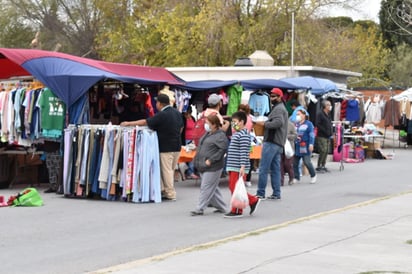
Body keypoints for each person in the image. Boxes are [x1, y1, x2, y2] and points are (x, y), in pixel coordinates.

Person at [120, 93, 183, 201]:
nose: (156, 104)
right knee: (170, 170)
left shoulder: (162, 114)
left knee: (166, 170)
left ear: (160, 103)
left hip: (165, 147)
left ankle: (170, 193)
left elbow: (146, 122)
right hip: (177, 145)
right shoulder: (177, 113)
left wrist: (128, 123)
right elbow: (181, 127)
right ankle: (164, 189)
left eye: (157, 102)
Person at [190, 115, 228, 216]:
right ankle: (222, 207)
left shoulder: (220, 136)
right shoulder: (208, 134)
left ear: (214, 124)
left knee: (206, 187)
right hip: (203, 165)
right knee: (213, 188)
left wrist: (211, 160)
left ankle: (199, 208)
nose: (205, 125)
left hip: (213, 166)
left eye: (207, 123)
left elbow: (222, 150)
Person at [224, 111, 260, 218]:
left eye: (235, 122)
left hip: (238, 167)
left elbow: (244, 152)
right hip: (233, 165)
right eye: (232, 122)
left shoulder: (244, 135)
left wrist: (243, 166)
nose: (233, 124)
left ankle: (237, 210)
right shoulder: (236, 134)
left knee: (235, 187)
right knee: (234, 187)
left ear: (242, 122)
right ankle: (251, 201)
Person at [255, 88, 288, 200]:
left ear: (280, 97)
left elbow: (278, 122)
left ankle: (260, 193)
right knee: (275, 170)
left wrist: (265, 124)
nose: (272, 98)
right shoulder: (280, 108)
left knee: (264, 168)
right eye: (271, 96)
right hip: (278, 143)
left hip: (272, 142)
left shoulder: (278, 109)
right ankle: (276, 193)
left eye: (274, 96)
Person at [293, 109, 317, 184]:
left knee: (307, 162)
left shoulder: (309, 124)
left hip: (305, 146)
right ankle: (296, 177)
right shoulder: (296, 124)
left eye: (299, 114)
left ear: (304, 115)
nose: (297, 116)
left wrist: (311, 144)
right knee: (295, 163)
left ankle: (313, 175)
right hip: (297, 146)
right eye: (297, 114)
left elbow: (311, 134)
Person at [237, 104, 254, 186]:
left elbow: (234, 129)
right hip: (248, 140)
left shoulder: (240, 120)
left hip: (240, 142)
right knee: (248, 160)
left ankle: (245, 178)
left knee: (242, 160)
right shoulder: (250, 119)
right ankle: (247, 179)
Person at [181, 107, 199, 179]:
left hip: (193, 139)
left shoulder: (193, 118)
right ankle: (190, 172)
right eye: (186, 114)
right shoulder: (183, 119)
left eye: (188, 114)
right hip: (186, 139)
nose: (187, 115)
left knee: (193, 156)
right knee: (188, 157)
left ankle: (191, 171)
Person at [316, 100, 333, 173]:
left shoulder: (328, 114)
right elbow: (318, 124)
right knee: (323, 150)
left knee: (326, 151)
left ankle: (323, 165)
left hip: (328, 135)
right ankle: (319, 165)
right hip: (321, 135)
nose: (330, 106)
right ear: (324, 106)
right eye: (328, 105)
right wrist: (325, 131)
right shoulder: (320, 114)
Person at [281, 120, 297, 186]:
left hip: (289, 147)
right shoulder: (278, 124)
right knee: (280, 164)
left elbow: (295, 135)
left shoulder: (290, 125)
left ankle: (291, 177)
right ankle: (280, 181)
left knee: (288, 164)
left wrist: (288, 136)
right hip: (280, 146)